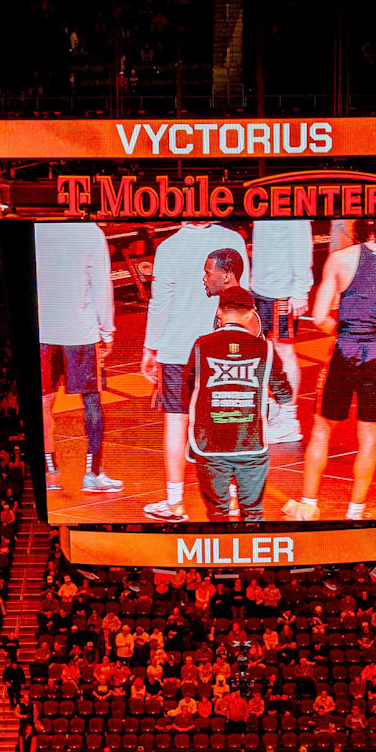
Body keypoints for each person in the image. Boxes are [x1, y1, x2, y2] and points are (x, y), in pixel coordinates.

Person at [285, 218, 376, 523]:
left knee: (322, 430)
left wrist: (344, 333)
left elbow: (320, 316)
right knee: (369, 436)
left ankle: (308, 506)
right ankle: (355, 512)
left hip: (344, 349)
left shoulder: (340, 260)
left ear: (364, 226)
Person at [140, 220, 254, 522]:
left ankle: (174, 503)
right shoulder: (234, 240)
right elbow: (243, 297)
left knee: (175, 422)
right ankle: (230, 499)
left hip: (177, 349)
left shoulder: (167, 248)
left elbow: (159, 303)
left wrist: (150, 349)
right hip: (221, 348)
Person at [180, 278, 297, 525]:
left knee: (217, 514)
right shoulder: (264, 348)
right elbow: (285, 394)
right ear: (250, 314)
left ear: (219, 311)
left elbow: (187, 391)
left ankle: (221, 560)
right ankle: (254, 559)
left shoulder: (202, 345)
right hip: (251, 443)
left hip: (209, 445)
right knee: (253, 513)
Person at [35, 219, 121, 496]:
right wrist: (107, 331)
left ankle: (50, 472)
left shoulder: (37, 228)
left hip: (43, 331)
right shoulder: (90, 231)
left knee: (44, 403)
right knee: (92, 401)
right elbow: (101, 285)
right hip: (80, 331)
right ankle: (92, 473)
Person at [248, 217, 314, 443]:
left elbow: (303, 249)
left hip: (281, 294)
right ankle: (277, 406)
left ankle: (289, 418)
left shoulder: (293, 208)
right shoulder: (263, 201)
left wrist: (301, 292)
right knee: (265, 351)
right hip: (259, 289)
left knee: (284, 351)